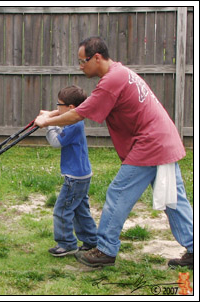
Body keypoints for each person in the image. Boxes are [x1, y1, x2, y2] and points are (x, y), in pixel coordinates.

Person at [34, 36, 193, 268]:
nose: (80, 67)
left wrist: (46, 123)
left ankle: (105, 250)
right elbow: (85, 106)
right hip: (163, 140)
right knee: (175, 200)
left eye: (82, 61)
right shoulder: (119, 73)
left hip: (149, 144)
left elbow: (78, 114)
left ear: (96, 58)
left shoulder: (112, 80)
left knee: (118, 193)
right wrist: (50, 114)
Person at [46, 85, 98, 257]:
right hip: (82, 174)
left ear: (70, 108)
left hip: (75, 177)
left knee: (62, 210)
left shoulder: (74, 124)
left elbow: (56, 142)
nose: (56, 108)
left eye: (59, 104)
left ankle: (67, 244)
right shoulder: (75, 121)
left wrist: (48, 123)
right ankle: (91, 240)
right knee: (80, 210)